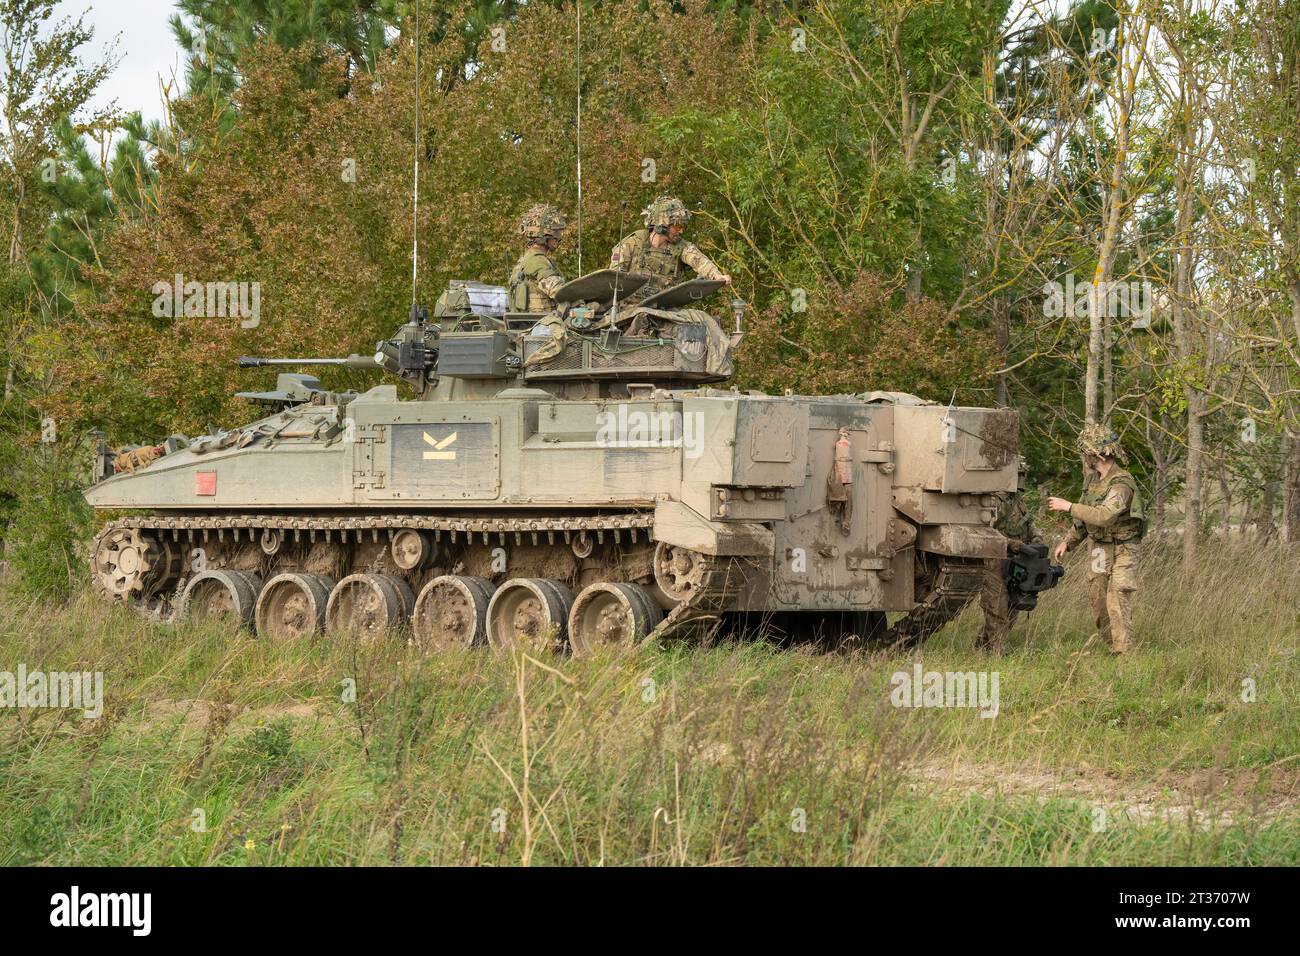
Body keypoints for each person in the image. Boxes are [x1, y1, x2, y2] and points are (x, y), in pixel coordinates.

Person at [1047, 423, 1146, 655]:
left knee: (1117, 600)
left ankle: (1125, 655)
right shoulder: (1092, 481)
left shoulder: (1121, 484)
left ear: (1097, 454)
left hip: (1123, 550)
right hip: (1099, 550)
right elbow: (1086, 520)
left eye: (1086, 454)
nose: (1084, 458)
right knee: (1099, 602)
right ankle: (1113, 648)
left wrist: (1067, 506)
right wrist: (1068, 542)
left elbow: (1103, 516)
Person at [609, 196, 731, 302]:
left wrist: (717, 276)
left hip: (665, 308)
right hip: (630, 308)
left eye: (682, 226)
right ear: (662, 225)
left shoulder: (681, 247)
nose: (681, 231)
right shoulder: (633, 243)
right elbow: (613, 279)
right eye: (677, 226)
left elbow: (700, 262)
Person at [977, 457, 1042, 653]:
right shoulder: (994, 500)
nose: (1021, 478)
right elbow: (984, 530)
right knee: (997, 605)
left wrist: (1037, 539)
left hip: (1016, 561)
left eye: (1023, 474)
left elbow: (1028, 524)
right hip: (994, 561)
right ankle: (998, 649)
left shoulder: (1017, 500)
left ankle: (984, 644)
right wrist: (1009, 543)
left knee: (1014, 605)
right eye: (1019, 474)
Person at [508, 204, 568, 313]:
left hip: (535, 323)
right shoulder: (537, 260)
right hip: (543, 324)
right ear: (543, 236)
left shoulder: (527, 258)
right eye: (556, 233)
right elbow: (559, 291)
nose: (559, 237)